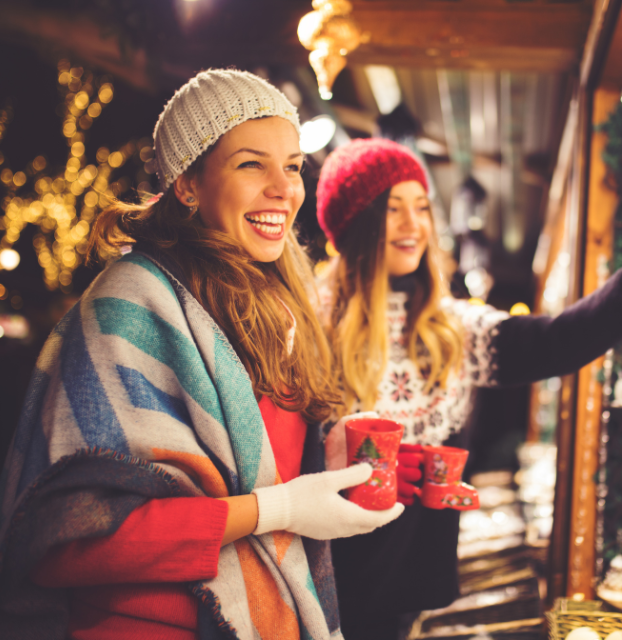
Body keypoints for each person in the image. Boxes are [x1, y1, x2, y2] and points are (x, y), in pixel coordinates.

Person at [0, 69, 402, 640]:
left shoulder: (279, 307)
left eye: (291, 166)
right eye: (250, 164)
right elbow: (68, 543)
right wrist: (279, 510)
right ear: (188, 184)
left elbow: (263, 469)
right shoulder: (129, 307)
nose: (284, 189)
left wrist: (335, 457)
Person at [314, 138, 622, 639]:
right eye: (391, 209)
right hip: (322, 579)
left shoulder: (453, 329)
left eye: (422, 208)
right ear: (352, 225)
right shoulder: (311, 327)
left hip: (411, 588)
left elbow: (558, 341)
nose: (413, 225)